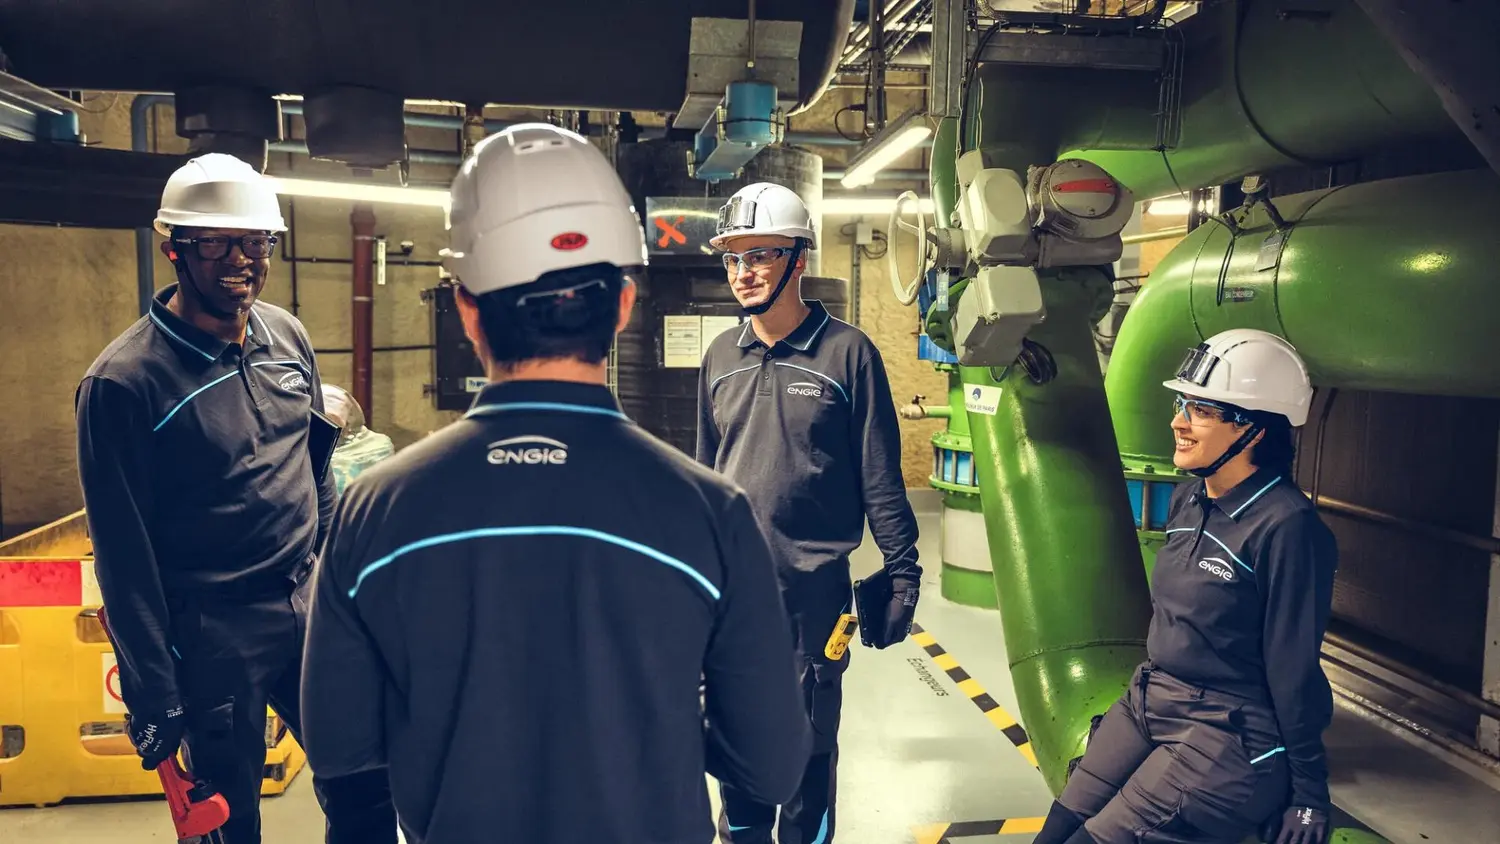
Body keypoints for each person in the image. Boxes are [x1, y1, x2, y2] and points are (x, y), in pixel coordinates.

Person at [298, 123, 811, 844]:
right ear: (625, 305)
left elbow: (341, 752)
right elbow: (772, 765)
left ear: (467, 308)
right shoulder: (711, 515)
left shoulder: (373, 513)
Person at [74, 153, 395, 844]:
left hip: (306, 606)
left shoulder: (288, 338)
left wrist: (333, 580)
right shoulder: (124, 386)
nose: (240, 262)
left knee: (370, 779)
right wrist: (152, 689)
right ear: (174, 249)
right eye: (216, 243)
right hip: (210, 636)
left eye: (256, 244)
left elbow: (315, 464)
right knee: (228, 825)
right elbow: (123, 557)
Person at [1033, 328, 1338, 844]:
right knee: (1057, 829)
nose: (1178, 421)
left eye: (1201, 410)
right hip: (1150, 698)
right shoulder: (1188, 500)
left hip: (1227, 729)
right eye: (1182, 403)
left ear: (1255, 430)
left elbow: (1293, 667)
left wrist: (1310, 793)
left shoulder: (1288, 527)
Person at [696, 182, 922, 844]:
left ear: (798, 258)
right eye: (734, 259)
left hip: (815, 596)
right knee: (738, 754)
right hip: (734, 595)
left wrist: (903, 572)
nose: (745, 273)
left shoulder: (847, 354)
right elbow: (707, 476)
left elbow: (880, 475)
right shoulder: (718, 358)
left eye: (760, 255)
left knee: (807, 762)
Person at [319, 383, 396, 495]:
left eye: (332, 418)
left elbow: (384, 488)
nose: (327, 425)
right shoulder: (309, 444)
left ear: (349, 416)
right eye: (323, 419)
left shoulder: (377, 446)